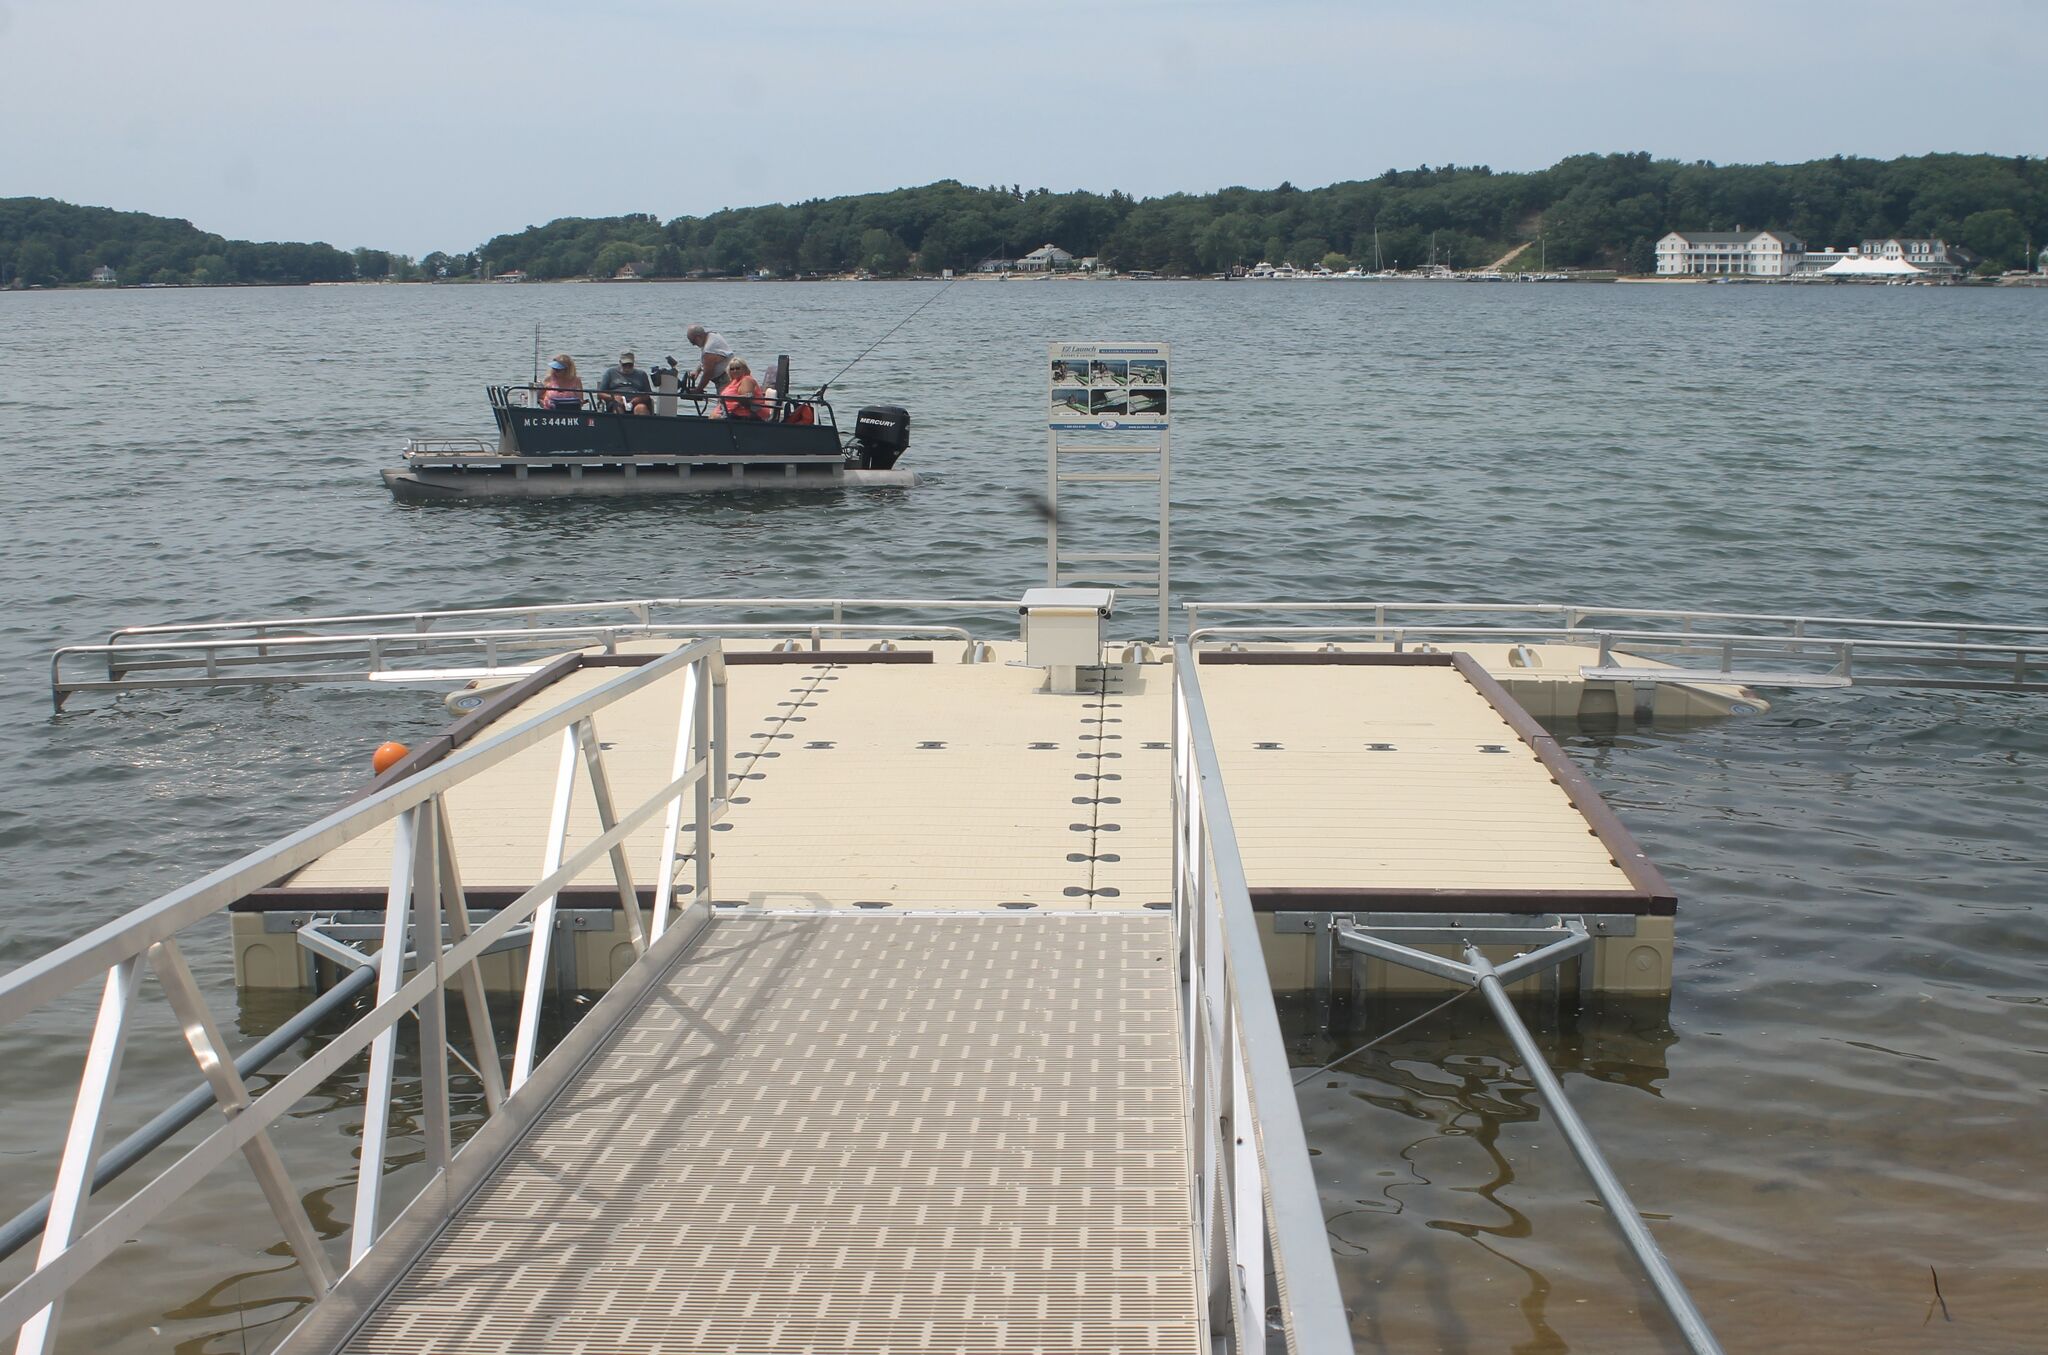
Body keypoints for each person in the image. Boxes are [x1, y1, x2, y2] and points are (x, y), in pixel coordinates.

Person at [597, 350, 654, 414]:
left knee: (641, 408)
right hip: (616, 403)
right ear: (620, 362)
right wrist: (613, 397)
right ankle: (618, 423)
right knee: (617, 408)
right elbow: (600, 393)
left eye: (630, 365)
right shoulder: (610, 372)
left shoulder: (642, 374)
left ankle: (641, 423)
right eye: (625, 365)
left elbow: (647, 394)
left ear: (633, 363)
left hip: (636, 403)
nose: (627, 367)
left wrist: (638, 399)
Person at [685, 323, 733, 395]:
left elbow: (708, 373)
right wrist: (697, 371)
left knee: (724, 404)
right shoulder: (712, 335)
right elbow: (707, 360)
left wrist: (698, 390)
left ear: (698, 337)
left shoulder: (709, 349)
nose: (693, 344)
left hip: (725, 380)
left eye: (692, 341)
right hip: (730, 374)